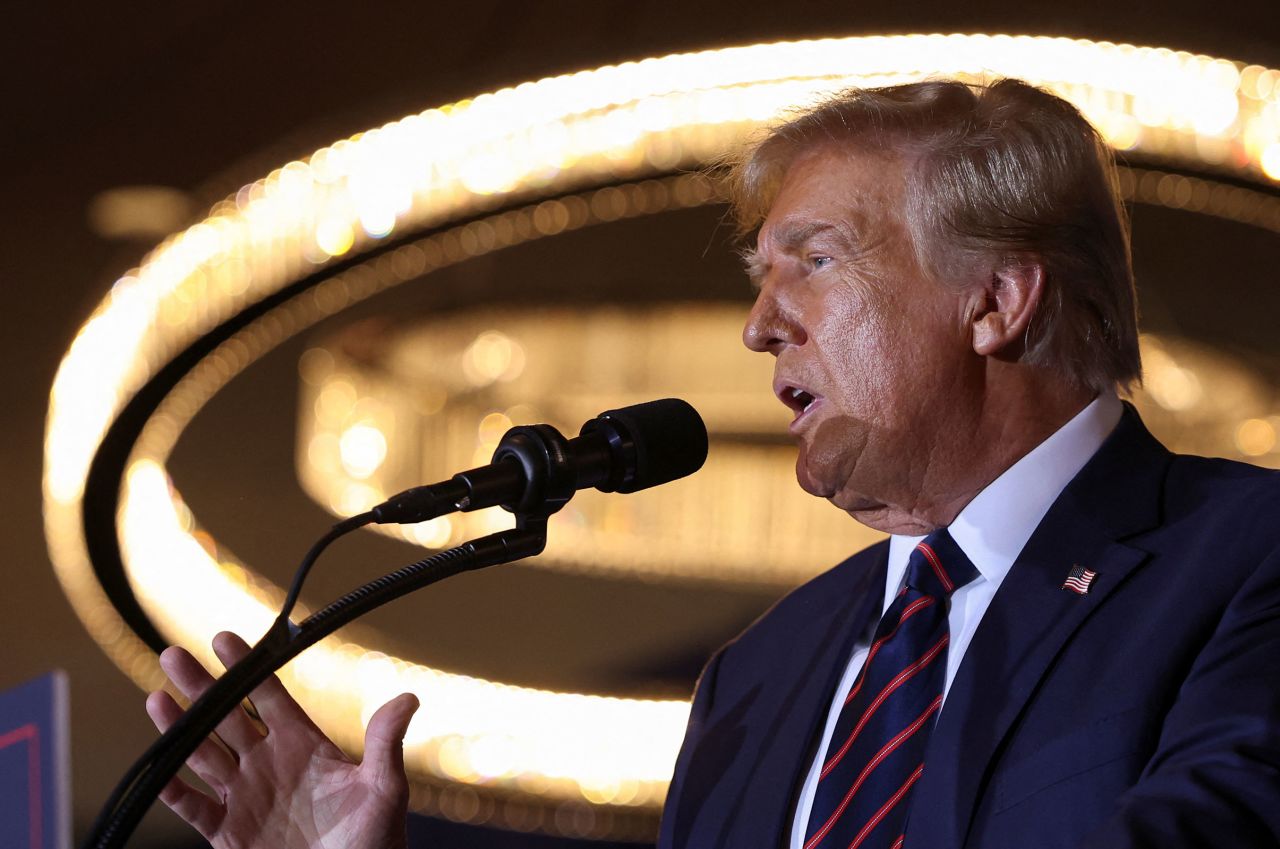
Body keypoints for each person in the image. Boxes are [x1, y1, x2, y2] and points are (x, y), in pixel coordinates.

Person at [148, 78, 1280, 848]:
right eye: (757, 277)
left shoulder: (1242, 561)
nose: (759, 326)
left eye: (814, 261)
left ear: (993, 300)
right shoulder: (760, 677)